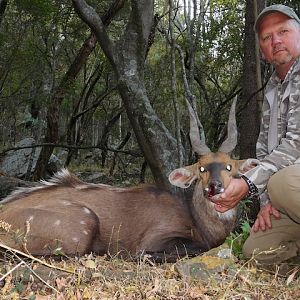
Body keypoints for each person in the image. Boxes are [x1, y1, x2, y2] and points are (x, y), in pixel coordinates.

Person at [210, 4, 300, 271]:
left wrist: (248, 184)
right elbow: (264, 153)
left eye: (283, 31)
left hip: (291, 185)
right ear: (262, 49)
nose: (276, 40)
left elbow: (296, 145)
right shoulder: (274, 85)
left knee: (282, 183)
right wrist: (266, 204)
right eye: (267, 37)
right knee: (257, 250)